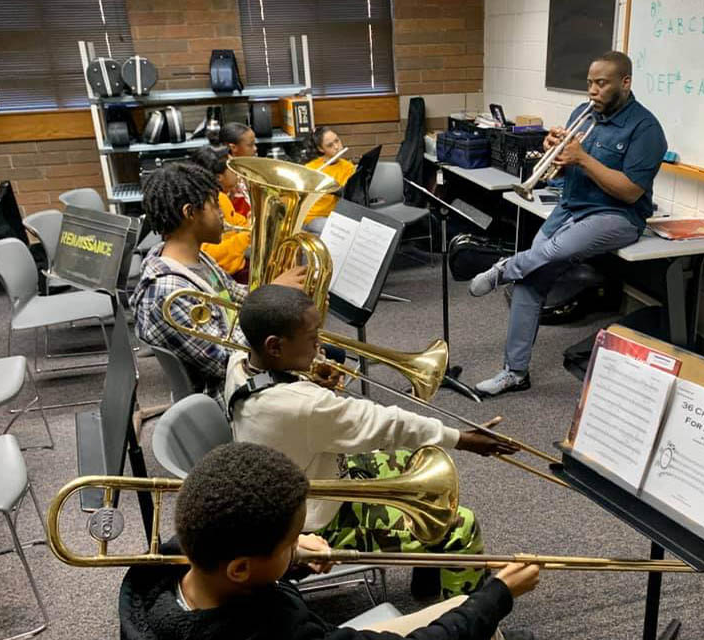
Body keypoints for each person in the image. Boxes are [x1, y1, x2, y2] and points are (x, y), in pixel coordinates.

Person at [225, 284, 520, 599]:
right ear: (274, 346)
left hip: (299, 481)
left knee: (419, 464)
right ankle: (466, 614)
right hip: (311, 524)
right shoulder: (303, 405)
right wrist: (463, 439)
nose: (319, 345)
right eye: (311, 339)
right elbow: (387, 424)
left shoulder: (238, 361)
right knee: (461, 527)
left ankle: (429, 572)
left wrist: (314, 380)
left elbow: (301, 406)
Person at [119, 442, 540, 640]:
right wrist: (498, 595)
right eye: (290, 541)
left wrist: (290, 560)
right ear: (242, 567)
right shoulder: (271, 630)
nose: (299, 543)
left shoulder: (167, 567)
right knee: (471, 612)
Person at [470, 51, 667, 397]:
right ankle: (515, 373)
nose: (592, 90)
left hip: (617, 216)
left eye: (601, 83)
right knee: (531, 279)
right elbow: (562, 172)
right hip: (571, 207)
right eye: (590, 82)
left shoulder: (646, 129)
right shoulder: (583, 114)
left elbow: (630, 191)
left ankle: (504, 268)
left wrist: (583, 158)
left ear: (625, 83)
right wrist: (555, 152)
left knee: (553, 251)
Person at [130, 162, 305, 407]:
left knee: (318, 352)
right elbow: (227, 360)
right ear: (190, 213)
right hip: (228, 397)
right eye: (215, 205)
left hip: (242, 373)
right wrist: (273, 296)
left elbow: (239, 297)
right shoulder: (169, 292)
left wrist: (280, 293)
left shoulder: (197, 259)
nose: (223, 213)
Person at [189, 145, 251, 282]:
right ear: (219, 177)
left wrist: (249, 223)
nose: (237, 172)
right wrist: (249, 235)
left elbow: (236, 221)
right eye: (232, 168)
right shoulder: (216, 201)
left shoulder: (223, 198)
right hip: (229, 275)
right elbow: (212, 254)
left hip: (237, 266)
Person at [303, 126, 356, 234]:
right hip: (312, 217)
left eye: (337, 141)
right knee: (339, 229)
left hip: (335, 216)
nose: (336, 147)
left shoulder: (348, 167)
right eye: (330, 145)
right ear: (321, 149)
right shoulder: (311, 168)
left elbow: (347, 195)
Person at [220, 122, 257, 218]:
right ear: (233, 147)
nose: (255, 148)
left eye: (255, 144)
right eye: (250, 145)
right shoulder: (227, 175)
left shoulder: (249, 165)